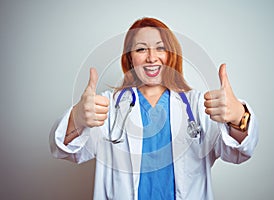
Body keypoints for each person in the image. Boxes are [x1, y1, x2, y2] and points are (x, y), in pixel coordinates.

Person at [49, 17, 258, 200]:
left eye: (160, 48)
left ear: (171, 55)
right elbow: (65, 150)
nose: (151, 57)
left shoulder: (197, 105)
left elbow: (236, 152)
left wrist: (238, 116)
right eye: (141, 49)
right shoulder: (108, 107)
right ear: (130, 58)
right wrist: (77, 117)